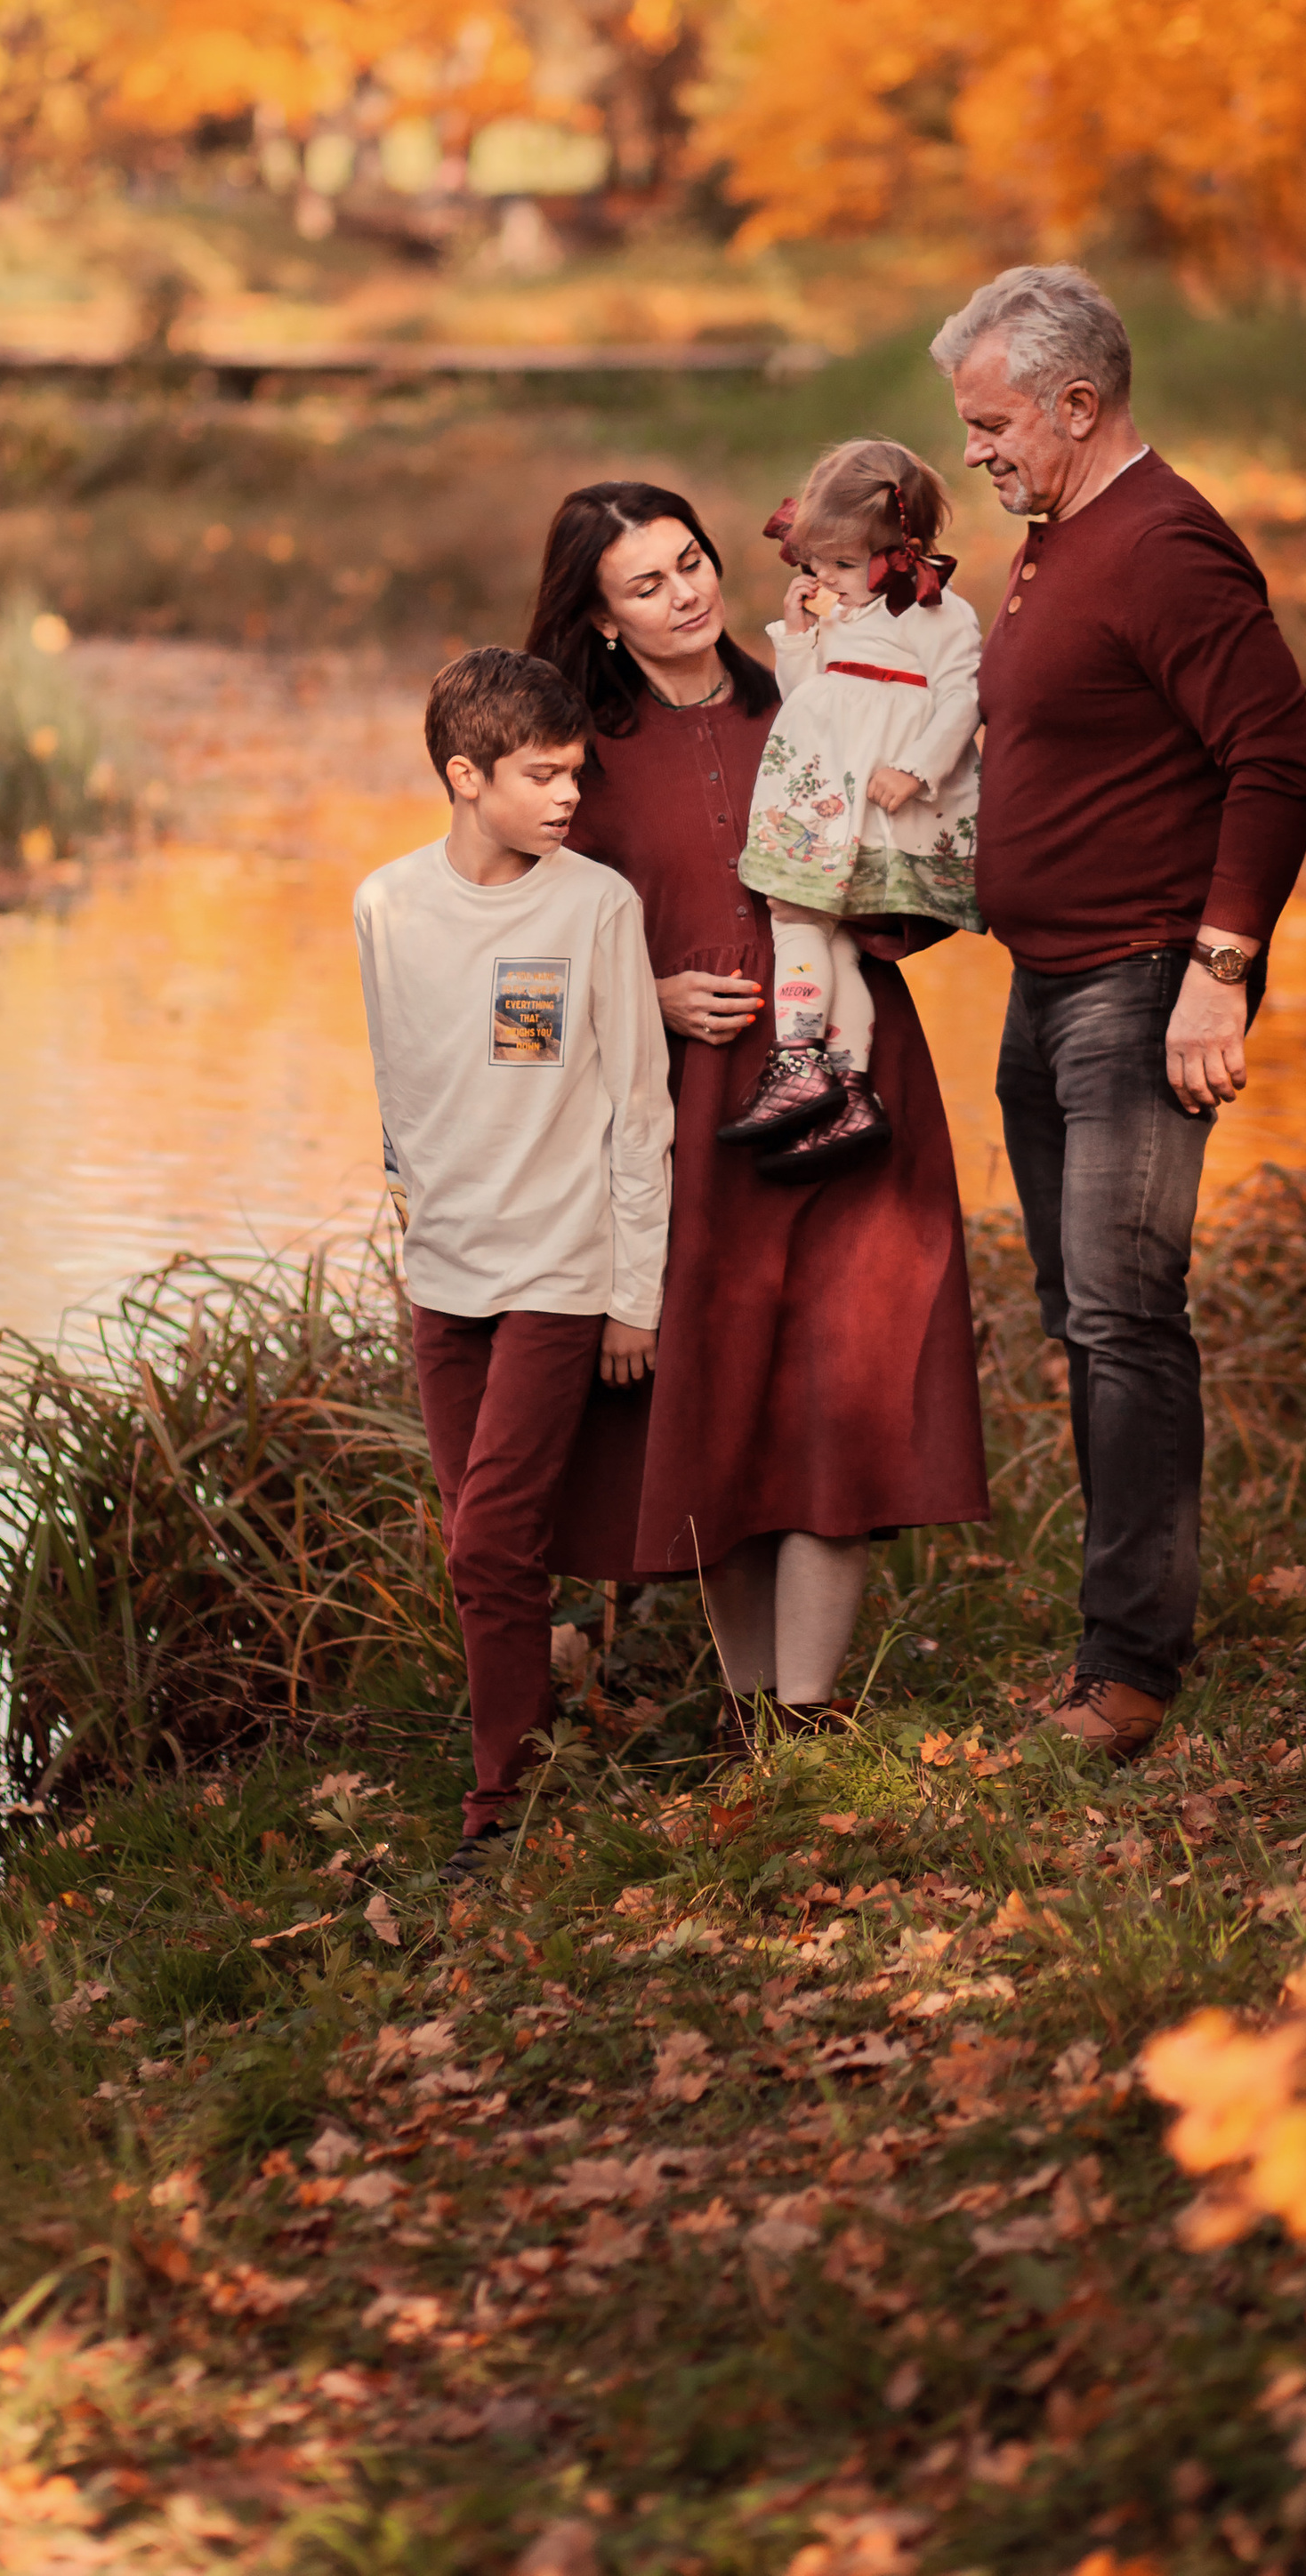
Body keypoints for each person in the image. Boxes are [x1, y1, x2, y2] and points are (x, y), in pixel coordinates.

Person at [931, 264, 1306, 1763]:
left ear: (1076, 404)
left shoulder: (1166, 546)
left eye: (989, 423)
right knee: (1082, 1316)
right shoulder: (1057, 542)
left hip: (1147, 982)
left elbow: (1280, 760)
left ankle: (1128, 1675)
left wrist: (1220, 969)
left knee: (1125, 1319)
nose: (973, 449)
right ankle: (1131, 1627)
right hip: (1051, 982)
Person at [524, 485, 987, 1729]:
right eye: (647, 585)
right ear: (603, 619)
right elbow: (512, 964)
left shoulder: (812, 690)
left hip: (853, 1083)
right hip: (686, 1112)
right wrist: (643, 995)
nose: (686, 595)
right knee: (720, 1391)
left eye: (692, 563)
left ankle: (809, 1711)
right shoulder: (578, 761)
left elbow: (918, 882)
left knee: (845, 1371)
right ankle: (746, 1711)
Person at [353, 645, 673, 1878]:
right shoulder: (386, 904)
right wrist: (411, 1204)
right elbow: (399, 1081)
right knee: (480, 1541)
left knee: (492, 1545)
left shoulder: (594, 907)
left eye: (576, 773)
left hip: (559, 1271)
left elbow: (638, 1114)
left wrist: (630, 1295)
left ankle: (503, 1805)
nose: (568, 797)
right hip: (446, 1275)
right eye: (541, 776)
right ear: (464, 775)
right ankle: (535, 1752)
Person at [724, 436, 982, 1182]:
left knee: (797, 918)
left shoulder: (940, 616)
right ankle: (847, 1085)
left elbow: (963, 699)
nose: (823, 578)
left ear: (903, 550)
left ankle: (797, 1057)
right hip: (825, 799)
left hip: (876, 806)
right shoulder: (839, 613)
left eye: (841, 563)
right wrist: (801, 635)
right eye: (817, 562)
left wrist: (916, 769)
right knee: (823, 936)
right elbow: (805, 698)